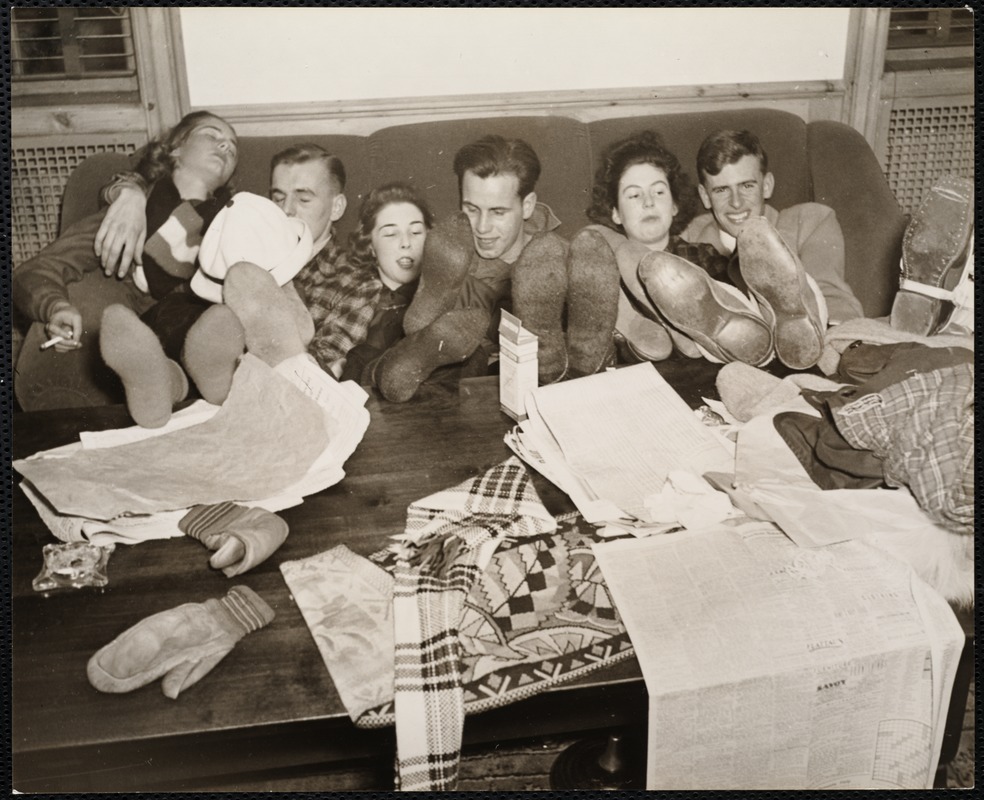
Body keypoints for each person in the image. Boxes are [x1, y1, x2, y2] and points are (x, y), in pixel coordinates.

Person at [13, 111, 239, 410]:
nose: (225, 146)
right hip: (119, 337)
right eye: (213, 135)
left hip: (182, 331)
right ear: (175, 148)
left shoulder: (233, 221)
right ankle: (161, 380)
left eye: (232, 147)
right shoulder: (125, 217)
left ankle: (188, 379)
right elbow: (37, 270)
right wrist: (56, 307)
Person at [371, 134, 616, 402]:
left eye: (498, 212)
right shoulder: (448, 252)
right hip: (460, 395)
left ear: (528, 205)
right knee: (437, 356)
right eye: (471, 209)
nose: (482, 227)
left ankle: (559, 364)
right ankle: (420, 334)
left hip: (556, 394)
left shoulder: (564, 257)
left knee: (580, 346)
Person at [579, 129, 734, 364]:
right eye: (634, 196)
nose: (649, 202)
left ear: (674, 205)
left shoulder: (704, 257)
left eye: (659, 191)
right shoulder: (603, 270)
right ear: (616, 213)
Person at [682, 129, 864, 325]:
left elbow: (832, 297)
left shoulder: (809, 221)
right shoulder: (689, 235)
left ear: (767, 185)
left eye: (747, 186)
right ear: (705, 196)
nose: (736, 203)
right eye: (721, 190)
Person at [333, 183, 433, 382]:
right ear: (370, 245)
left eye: (415, 232)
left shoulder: (439, 298)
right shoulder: (350, 298)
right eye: (391, 234)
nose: (406, 243)